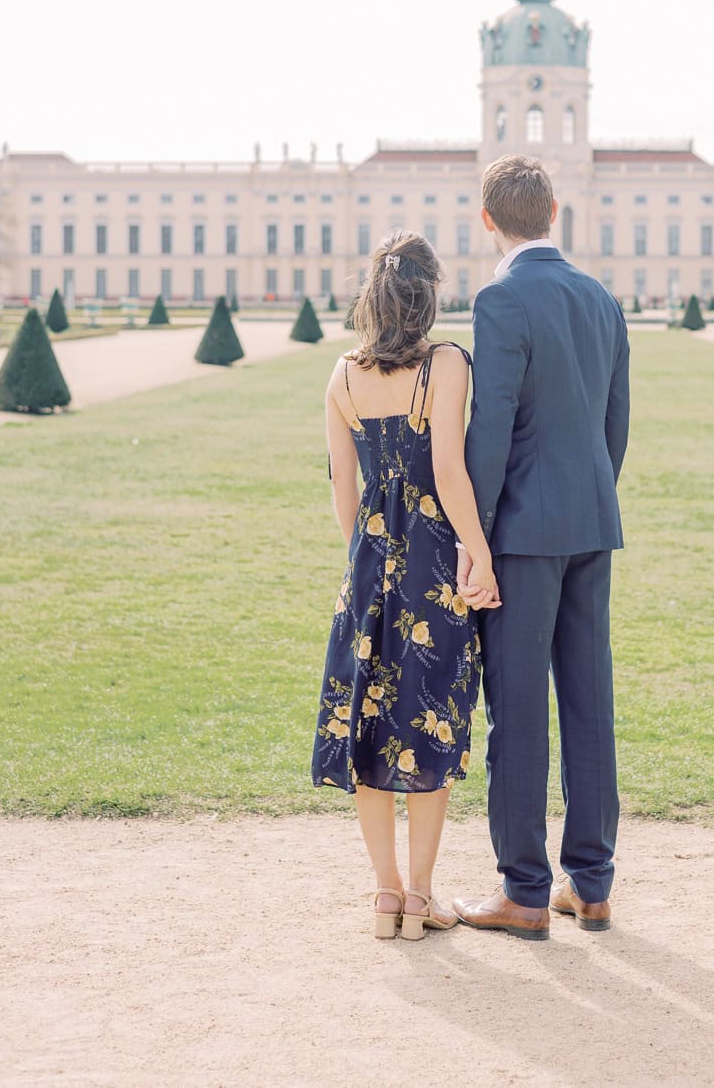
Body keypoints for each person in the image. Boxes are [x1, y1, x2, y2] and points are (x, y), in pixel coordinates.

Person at [454, 154, 630, 941]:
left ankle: (524, 889)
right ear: (556, 212)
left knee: (518, 709)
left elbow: (488, 432)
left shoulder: (499, 297)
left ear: (487, 219)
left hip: (521, 533)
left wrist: (475, 539)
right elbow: (613, 423)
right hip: (590, 522)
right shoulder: (600, 297)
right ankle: (589, 883)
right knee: (589, 701)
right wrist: (589, 498)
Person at [312, 229, 500, 941]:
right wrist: (477, 554)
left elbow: (343, 487)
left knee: (366, 724)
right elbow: (449, 473)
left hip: (368, 565)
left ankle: (386, 892)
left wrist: (365, 554)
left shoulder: (341, 374)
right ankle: (422, 895)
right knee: (428, 721)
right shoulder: (447, 363)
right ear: (430, 295)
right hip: (432, 564)